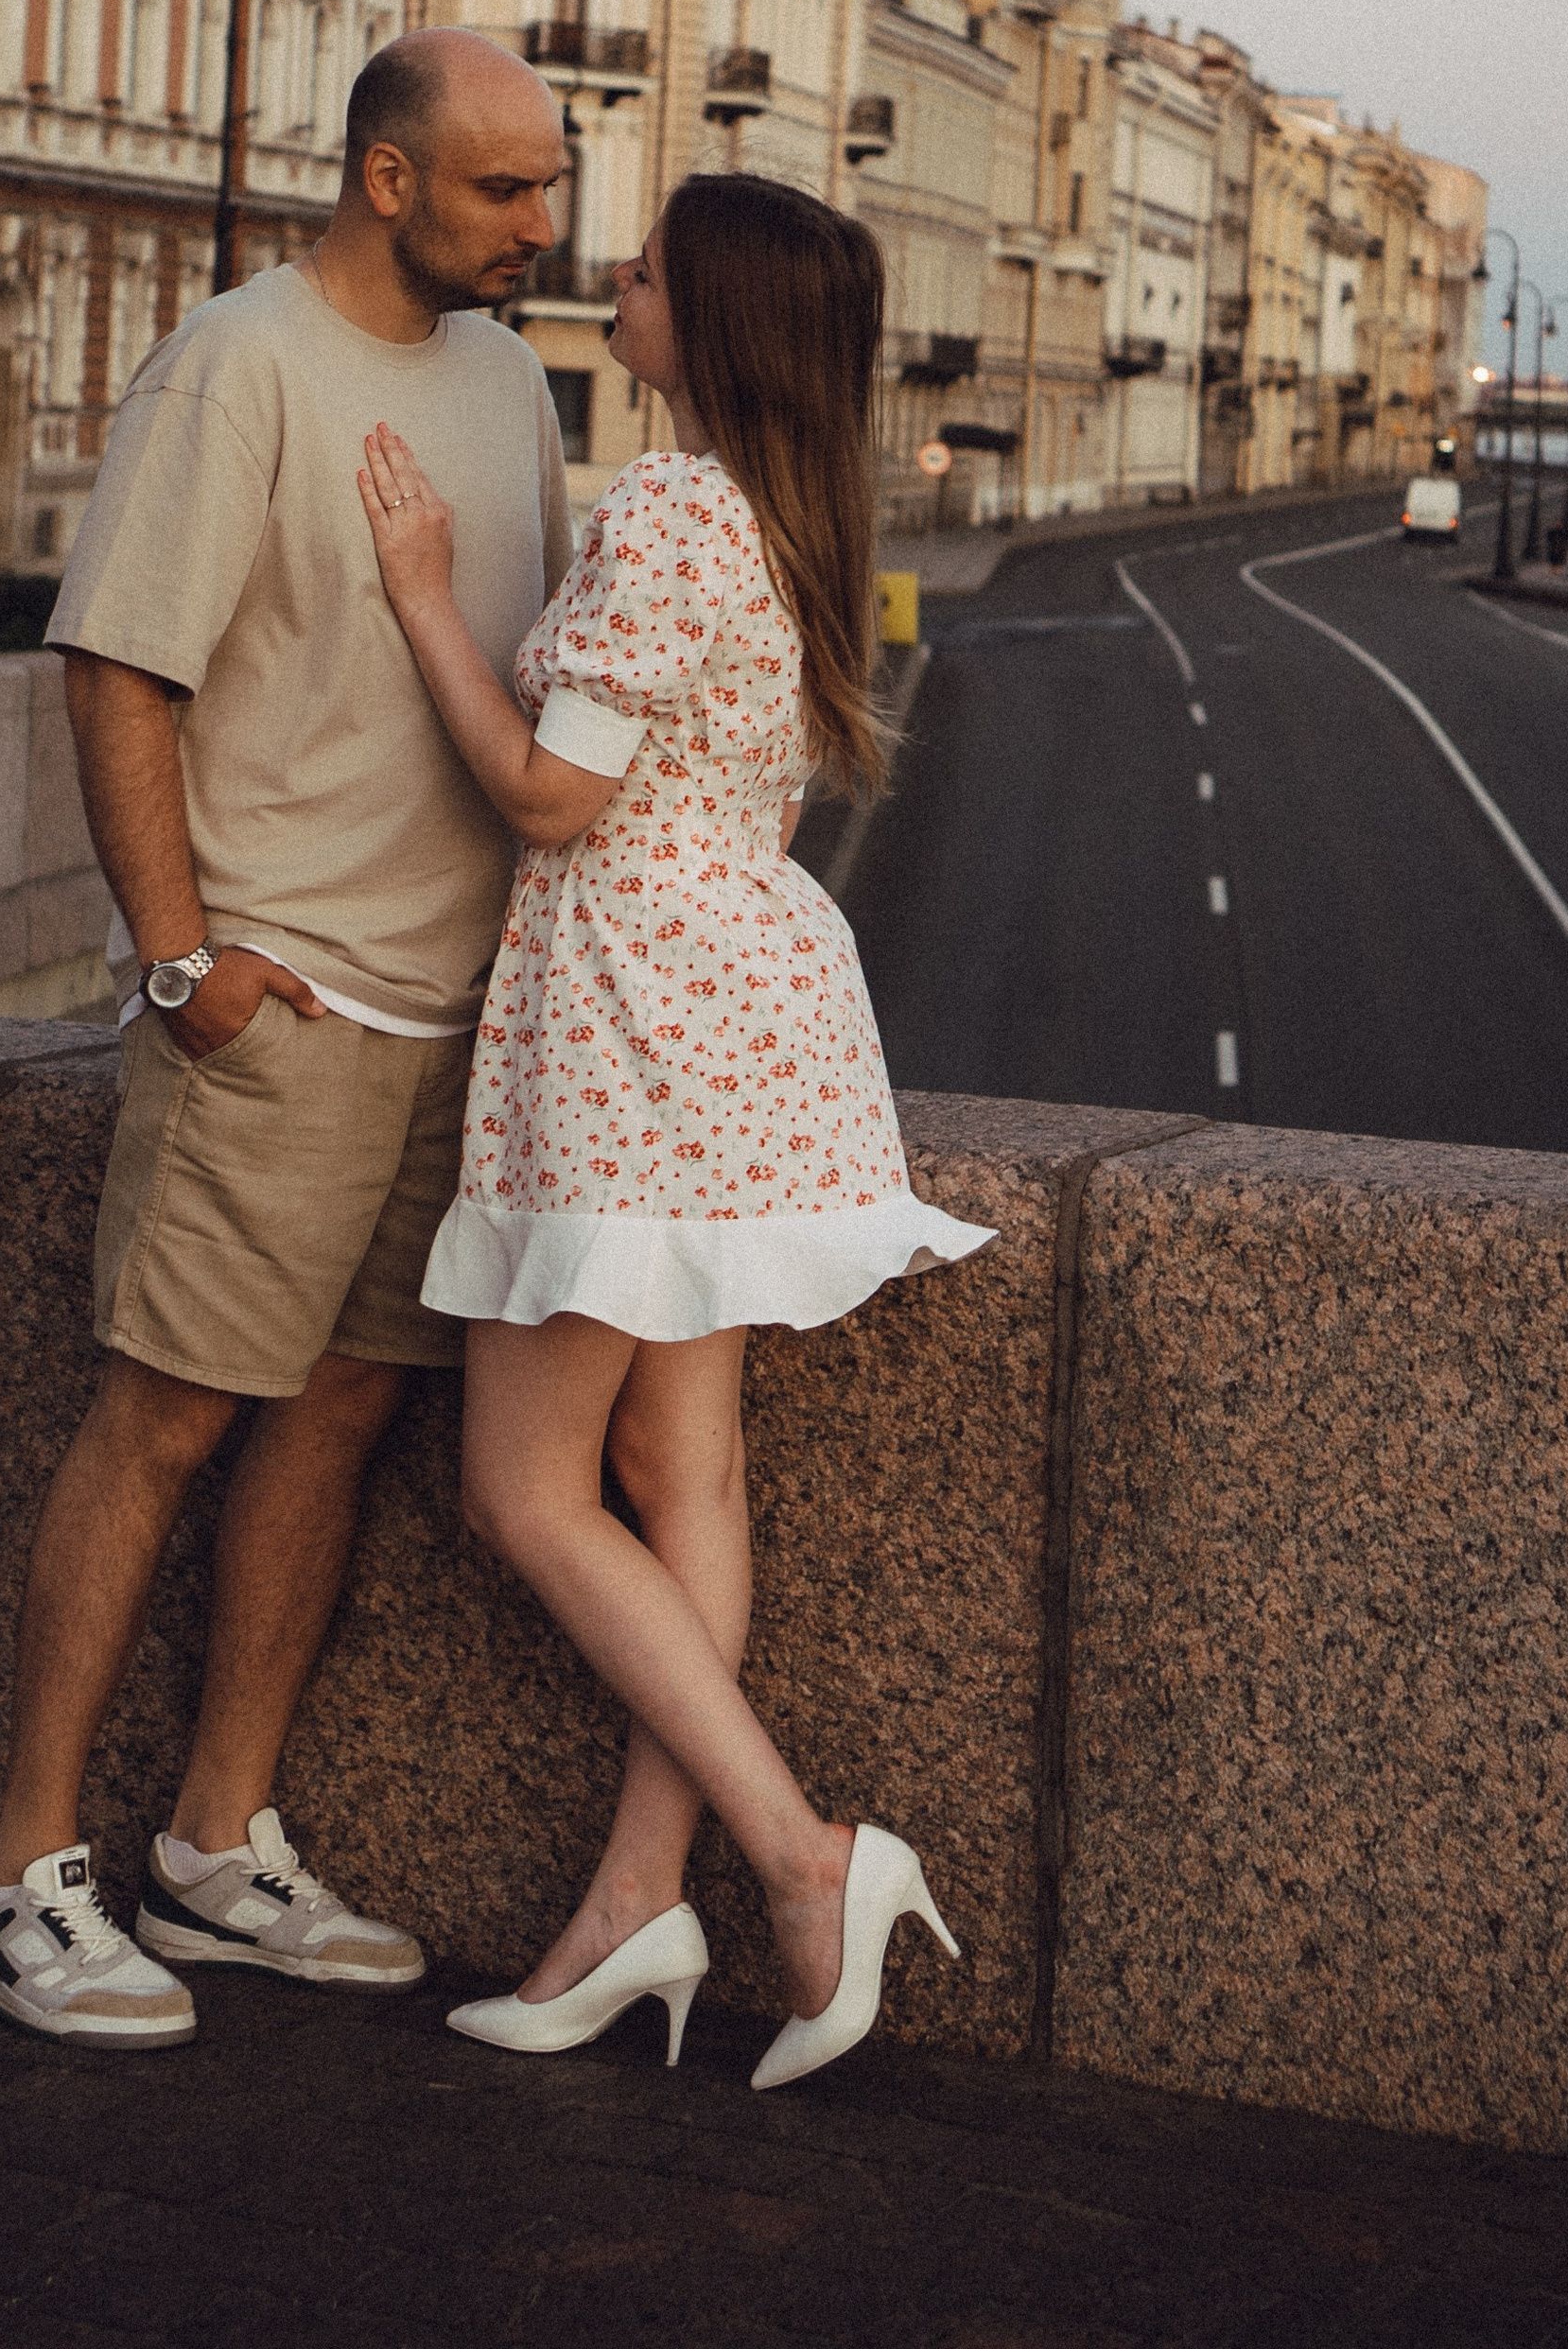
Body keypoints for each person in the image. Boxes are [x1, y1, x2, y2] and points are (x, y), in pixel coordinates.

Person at [0, 27, 575, 2049]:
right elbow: (118, 667)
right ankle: (20, 1875)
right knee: (164, 1419)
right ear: (387, 181)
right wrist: (176, 957)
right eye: (503, 191)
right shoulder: (235, 365)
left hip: (448, 1005)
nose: (540, 228)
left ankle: (216, 1848)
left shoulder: (505, 382)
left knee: (337, 1419)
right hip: (276, 1002)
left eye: (550, 186)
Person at [356, 169, 991, 2092]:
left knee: (526, 1493)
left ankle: (801, 1854)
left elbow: (551, 801)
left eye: (638, 272)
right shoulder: (792, 519)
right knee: (678, 1470)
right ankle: (637, 1903)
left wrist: (416, 602)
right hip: (751, 1009)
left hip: (630, 1018)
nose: (607, 284)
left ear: (702, 320)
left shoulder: (668, 511)